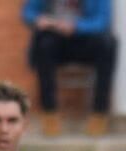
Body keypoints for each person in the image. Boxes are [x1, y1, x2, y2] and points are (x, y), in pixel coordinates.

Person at [21, 0, 116, 138]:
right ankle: (50, 114)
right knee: (43, 45)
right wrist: (38, 19)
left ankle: (99, 114)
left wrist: (76, 26)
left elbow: (102, 21)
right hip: (56, 40)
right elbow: (28, 12)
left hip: (85, 40)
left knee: (109, 44)